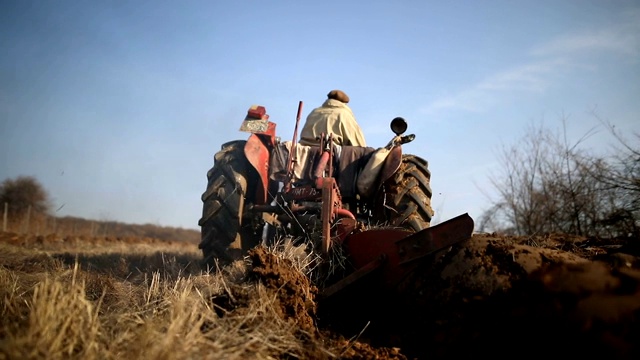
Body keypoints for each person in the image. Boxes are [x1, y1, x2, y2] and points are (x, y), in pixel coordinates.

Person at [298, 90, 367, 147]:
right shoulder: (343, 114)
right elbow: (359, 144)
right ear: (344, 103)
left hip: (303, 153)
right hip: (330, 155)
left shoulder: (314, 112)